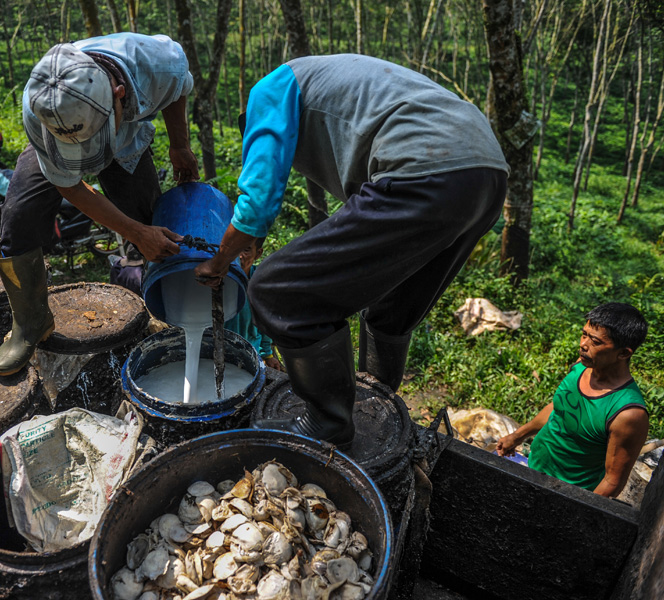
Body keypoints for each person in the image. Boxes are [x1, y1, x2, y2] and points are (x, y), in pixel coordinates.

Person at [195, 55, 509, 447]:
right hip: (486, 176)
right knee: (392, 307)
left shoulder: (269, 92)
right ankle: (377, 403)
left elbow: (257, 197)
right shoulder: (335, 87)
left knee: (278, 291)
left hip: (423, 167)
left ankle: (329, 423)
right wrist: (252, 239)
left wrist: (220, 260)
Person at [0, 33, 200, 376]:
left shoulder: (158, 63)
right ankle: (31, 322)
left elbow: (177, 89)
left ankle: (170, 315)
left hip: (126, 146)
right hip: (56, 149)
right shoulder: (41, 105)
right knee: (18, 216)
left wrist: (179, 145)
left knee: (152, 223)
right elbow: (72, 187)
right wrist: (134, 231)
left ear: (119, 94)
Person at [497, 303, 649, 498]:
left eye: (595, 341)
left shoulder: (627, 413)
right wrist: (517, 436)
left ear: (623, 353)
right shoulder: (581, 368)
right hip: (532, 467)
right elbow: (559, 408)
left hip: (565, 494)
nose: (583, 344)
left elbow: (612, 481)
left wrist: (577, 510)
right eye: (584, 334)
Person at [224, 237, 282, 371]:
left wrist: (267, 354)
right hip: (216, 351)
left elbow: (265, 322)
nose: (238, 255)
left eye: (246, 249)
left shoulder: (262, 283)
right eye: (234, 247)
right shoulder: (216, 279)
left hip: (250, 354)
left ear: (258, 254)